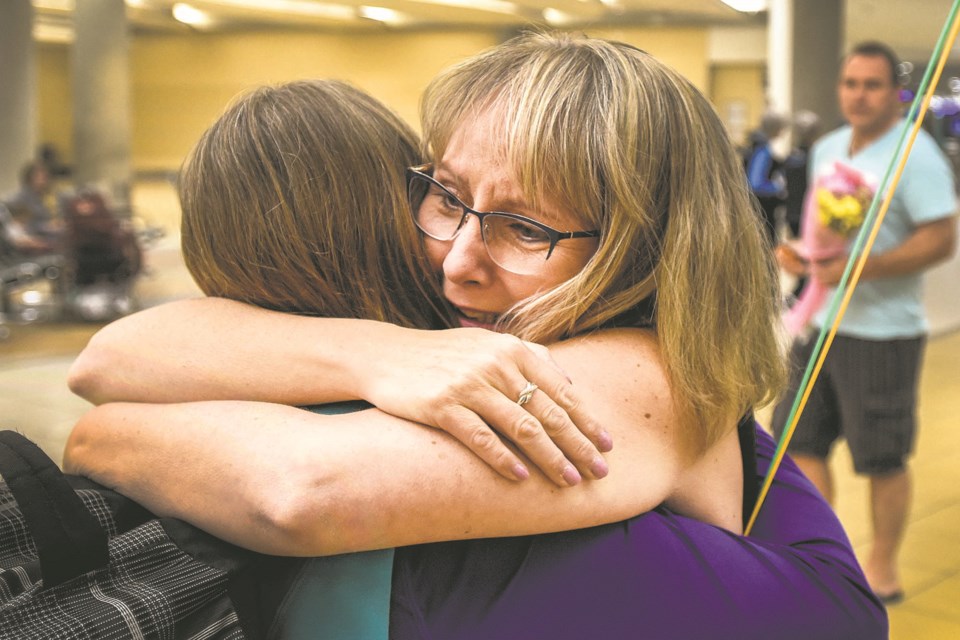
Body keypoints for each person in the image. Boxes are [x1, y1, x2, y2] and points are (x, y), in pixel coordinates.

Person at [65, 33, 887, 637]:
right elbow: (110, 356)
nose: (458, 260)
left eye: (526, 227)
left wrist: (107, 436)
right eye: (447, 195)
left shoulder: (646, 373)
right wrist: (380, 351)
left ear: (646, 255)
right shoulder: (455, 342)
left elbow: (298, 490)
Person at [773, 41, 957, 604]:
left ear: (894, 93)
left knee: (881, 456)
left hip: (882, 332)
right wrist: (805, 258)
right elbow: (822, 230)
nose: (859, 95)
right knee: (796, 439)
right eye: (851, 83)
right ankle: (828, 554)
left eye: (872, 85)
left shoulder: (914, 154)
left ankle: (881, 567)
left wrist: (866, 268)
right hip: (820, 322)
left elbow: (940, 237)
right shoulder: (830, 146)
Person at [780, 110, 821, 304]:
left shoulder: (791, 157)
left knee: (804, 254)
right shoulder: (815, 158)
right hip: (807, 215)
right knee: (807, 255)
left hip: (793, 213)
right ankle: (802, 294)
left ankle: (802, 292)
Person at [744, 110, 787, 244]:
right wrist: (777, 187)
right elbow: (756, 183)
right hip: (761, 207)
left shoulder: (754, 144)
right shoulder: (763, 149)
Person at [5, 161, 63, 242]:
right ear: (30, 178)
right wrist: (45, 226)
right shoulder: (20, 197)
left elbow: (52, 216)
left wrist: (55, 223)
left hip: (50, 236)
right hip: (31, 237)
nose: (44, 180)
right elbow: (16, 223)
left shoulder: (48, 196)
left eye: (46, 177)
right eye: (40, 176)